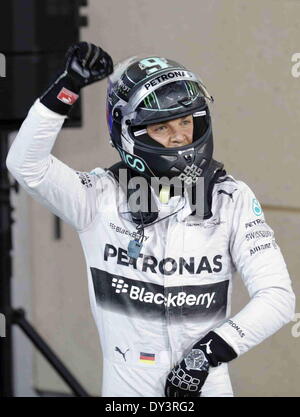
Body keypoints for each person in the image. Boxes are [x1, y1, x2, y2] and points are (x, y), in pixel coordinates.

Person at [6, 42, 295, 397]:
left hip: (204, 384)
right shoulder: (99, 196)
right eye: (161, 127)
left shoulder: (231, 198)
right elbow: (25, 164)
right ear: (130, 135)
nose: (179, 136)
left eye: (186, 121)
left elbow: (278, 297)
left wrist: (208, 353)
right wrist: (67, 86)